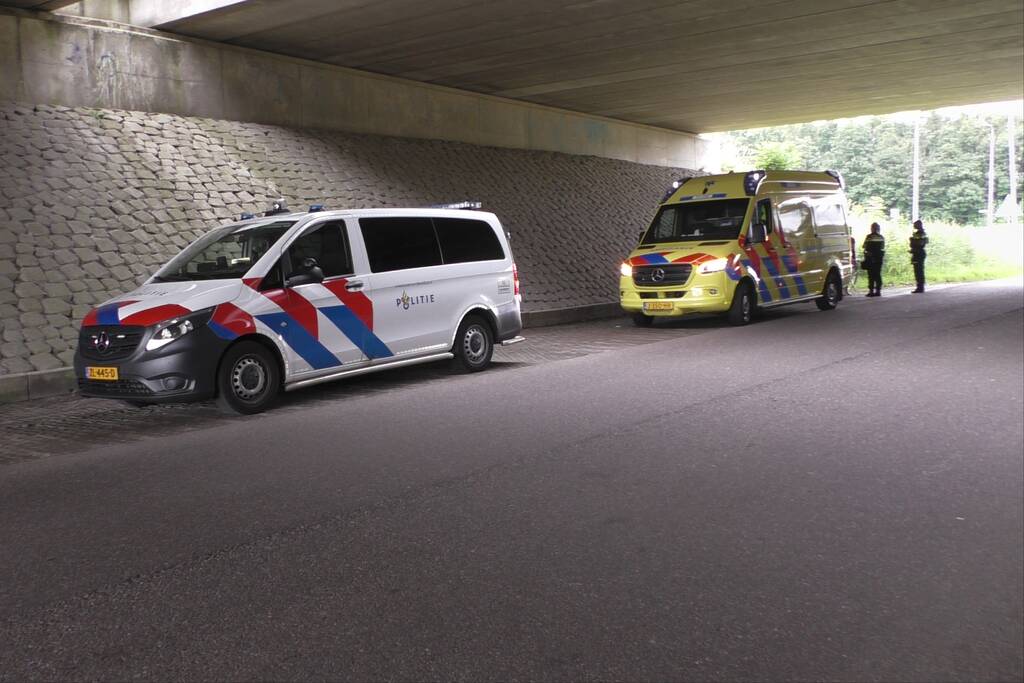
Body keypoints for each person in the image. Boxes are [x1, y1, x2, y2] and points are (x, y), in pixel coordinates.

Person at [861, 222, 885, 296]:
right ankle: (878, 291)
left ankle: (871, 291)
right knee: (877, 274)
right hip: (879, 258)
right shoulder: (881, 237)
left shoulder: (869, 237)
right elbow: (882, 247)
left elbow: (864, 246)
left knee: (871, 275)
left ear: (872, 228)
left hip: (870, 257)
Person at [909, 219, 928, 293]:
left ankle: (920, 287)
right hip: (918, 252)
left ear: (918, 225)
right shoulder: (922, 233)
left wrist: (911, 240)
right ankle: (920, 286)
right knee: (919, 270)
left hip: (918, 253)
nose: (914, 226)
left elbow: (919, 243)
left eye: (915, 224)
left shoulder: (920, 233)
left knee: (918, 270)